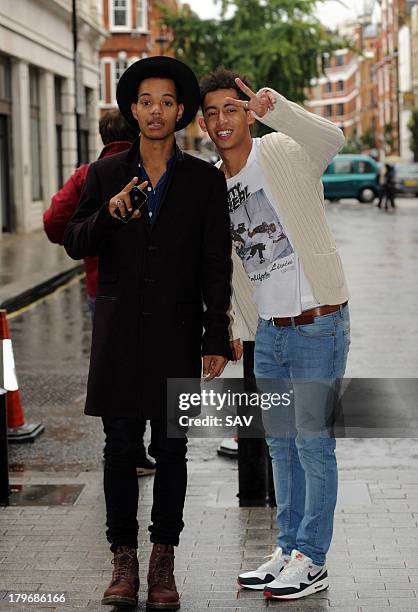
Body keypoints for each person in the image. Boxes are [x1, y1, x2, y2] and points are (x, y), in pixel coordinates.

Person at [63, 56, 232, 609]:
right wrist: (109, 215)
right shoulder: (104, 174)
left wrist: (213, 336)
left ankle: (163, 562)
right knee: (118, 449)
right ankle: (123, 560)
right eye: (145, 101)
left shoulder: (205, 179)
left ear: (180, 111)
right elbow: (75, 240)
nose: (156, 110)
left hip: (177, 335)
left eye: (166, 102)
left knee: (173, 449)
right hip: (117, 335)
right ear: (132, 110)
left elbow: (215, 264)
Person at [199, 68, 350, 601]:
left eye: (231, 109)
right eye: (212, 112)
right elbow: (229, 264)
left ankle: (313, 557)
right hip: (271, 332)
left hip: (318, 321)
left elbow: (333, 139)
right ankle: (288, 548)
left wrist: (276, 108)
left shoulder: (282, 150)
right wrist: (235, 326)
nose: (222, 119)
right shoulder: (213, 187)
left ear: (245, 113)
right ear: (202, 122)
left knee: (314, 446)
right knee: (281, 448)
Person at [43, 110, 156, 478]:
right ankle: (138, 449)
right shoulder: (151, 167)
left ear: (101, 135)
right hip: (153, 285)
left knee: (112, 367)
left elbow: (54, 223)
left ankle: (120, 447)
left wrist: (88, 238)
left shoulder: (88, 174)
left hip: (101, 287)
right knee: (149, 362)